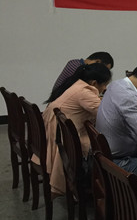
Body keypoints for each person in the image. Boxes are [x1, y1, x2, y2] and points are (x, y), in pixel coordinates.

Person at [42, 63, 112, 195]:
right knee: (104, 145)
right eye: (104, 85)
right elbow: (106, 114)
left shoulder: (78, 85)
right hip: (64, 137)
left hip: (56, 129)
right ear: (94, 82)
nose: (105, 88)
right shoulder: (84, 92)